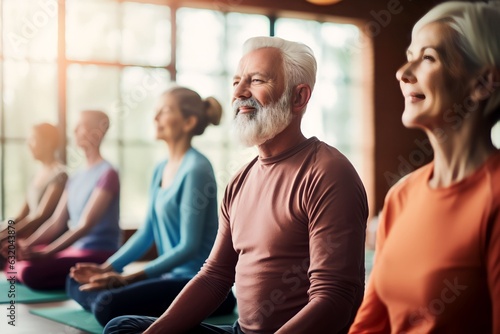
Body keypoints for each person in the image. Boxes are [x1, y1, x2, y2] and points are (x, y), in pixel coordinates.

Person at [105, 36, 368, 334]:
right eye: (236, 82)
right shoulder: (240, 180)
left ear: (299, 97)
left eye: (256, 80)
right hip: (239, 331)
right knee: (123, 327)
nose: (240, 93)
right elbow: (215, 276)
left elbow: (334, 298)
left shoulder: (328, 172)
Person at [349, 2, 500, 333]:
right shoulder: (402, 195)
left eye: (428, 57)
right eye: (410, 55)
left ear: (482, 82)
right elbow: (371, 324)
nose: (403, 72)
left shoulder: (495, 197)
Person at [67, 87, 236, 327]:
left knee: (108, 305)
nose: (155, 117)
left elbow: (188, 247)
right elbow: (146, 234)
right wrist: (105, 270)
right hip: (168, 278)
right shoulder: (159, 169)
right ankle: (108, 296)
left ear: (189, 122)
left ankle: (107, 300)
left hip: (199, 285)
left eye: (164, 111)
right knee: (74, 281)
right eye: (156, 111)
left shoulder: (197, 169)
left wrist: (126, 280)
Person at [12, 110, 121, 290]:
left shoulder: (108, 173)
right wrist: (27, 245)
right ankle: (71, 282)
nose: (74, 132)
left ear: (94, 132)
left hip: (100, 252)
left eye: (79, 128)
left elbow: (85, 225)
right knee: (15, 263)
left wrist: (47, 253)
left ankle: (88, 279)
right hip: (75, 250)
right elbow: (56, 222)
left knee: (28, 272)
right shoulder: (75, 176)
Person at [0, 123, 67, 244]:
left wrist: (6, 236)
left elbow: (40, 216)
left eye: (33, 139)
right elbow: (21, 216)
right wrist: (4, 231)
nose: (29, 145)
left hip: (45, 241)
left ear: (49, 143)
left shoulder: (60, 175)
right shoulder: (35, 176)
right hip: (27, 237)